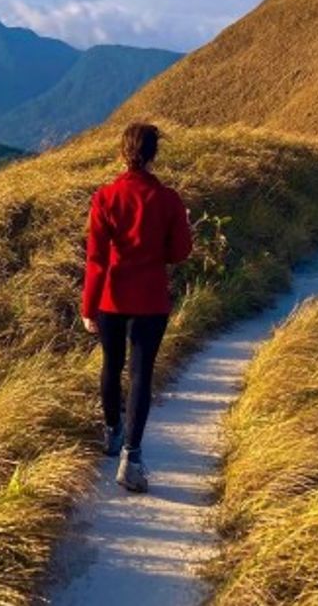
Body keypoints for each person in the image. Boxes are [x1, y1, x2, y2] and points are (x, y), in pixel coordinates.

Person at [81, 122, 193, 492]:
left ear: (122, 152)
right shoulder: (169, 200)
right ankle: (132, 456)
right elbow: (179, 253)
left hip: (111, 297)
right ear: (154, 154)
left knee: (111, 366)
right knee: (142, 375)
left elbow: (96, 258)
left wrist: (88, 306)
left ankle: (112, 432)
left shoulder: (105, 198)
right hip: (151, 299)